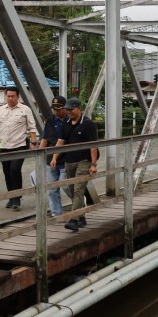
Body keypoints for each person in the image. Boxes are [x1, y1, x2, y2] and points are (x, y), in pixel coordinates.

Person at [0, 86, 38, 211]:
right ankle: (11, 196)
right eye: (8, 96)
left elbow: (32, 127)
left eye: (12, 96)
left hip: (20, 146)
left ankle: (17, 198)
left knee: (15, 170)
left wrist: (34, 142)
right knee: (7, 172)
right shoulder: (0, 110)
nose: (10, 98)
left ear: (18, 97)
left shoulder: (25, 110)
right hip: (4, 146)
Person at [51, 98, 98, 232]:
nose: (69, 112)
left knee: (78, 189)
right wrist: (55, 157)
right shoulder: (66, 122)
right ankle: (81, 216)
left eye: (71, 109)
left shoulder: (88, 124)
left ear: (79, 108)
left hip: (84, 160)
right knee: (71, 190)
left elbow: (93, 145)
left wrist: (93, 164)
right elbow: (61, 141)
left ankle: (74, 220)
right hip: (69, 160)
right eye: (67, 109)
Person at [39, 96, 72, 217]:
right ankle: (57, 214)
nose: (56, 111)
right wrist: (39, 155)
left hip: (66, 158)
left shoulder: (71, 120)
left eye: (58, 109)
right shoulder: (50, 121)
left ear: (65, 108)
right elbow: (45, 139)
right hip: (50, 159)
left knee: (66, 185)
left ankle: (78, 202)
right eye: (54, 109)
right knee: (52, 189)